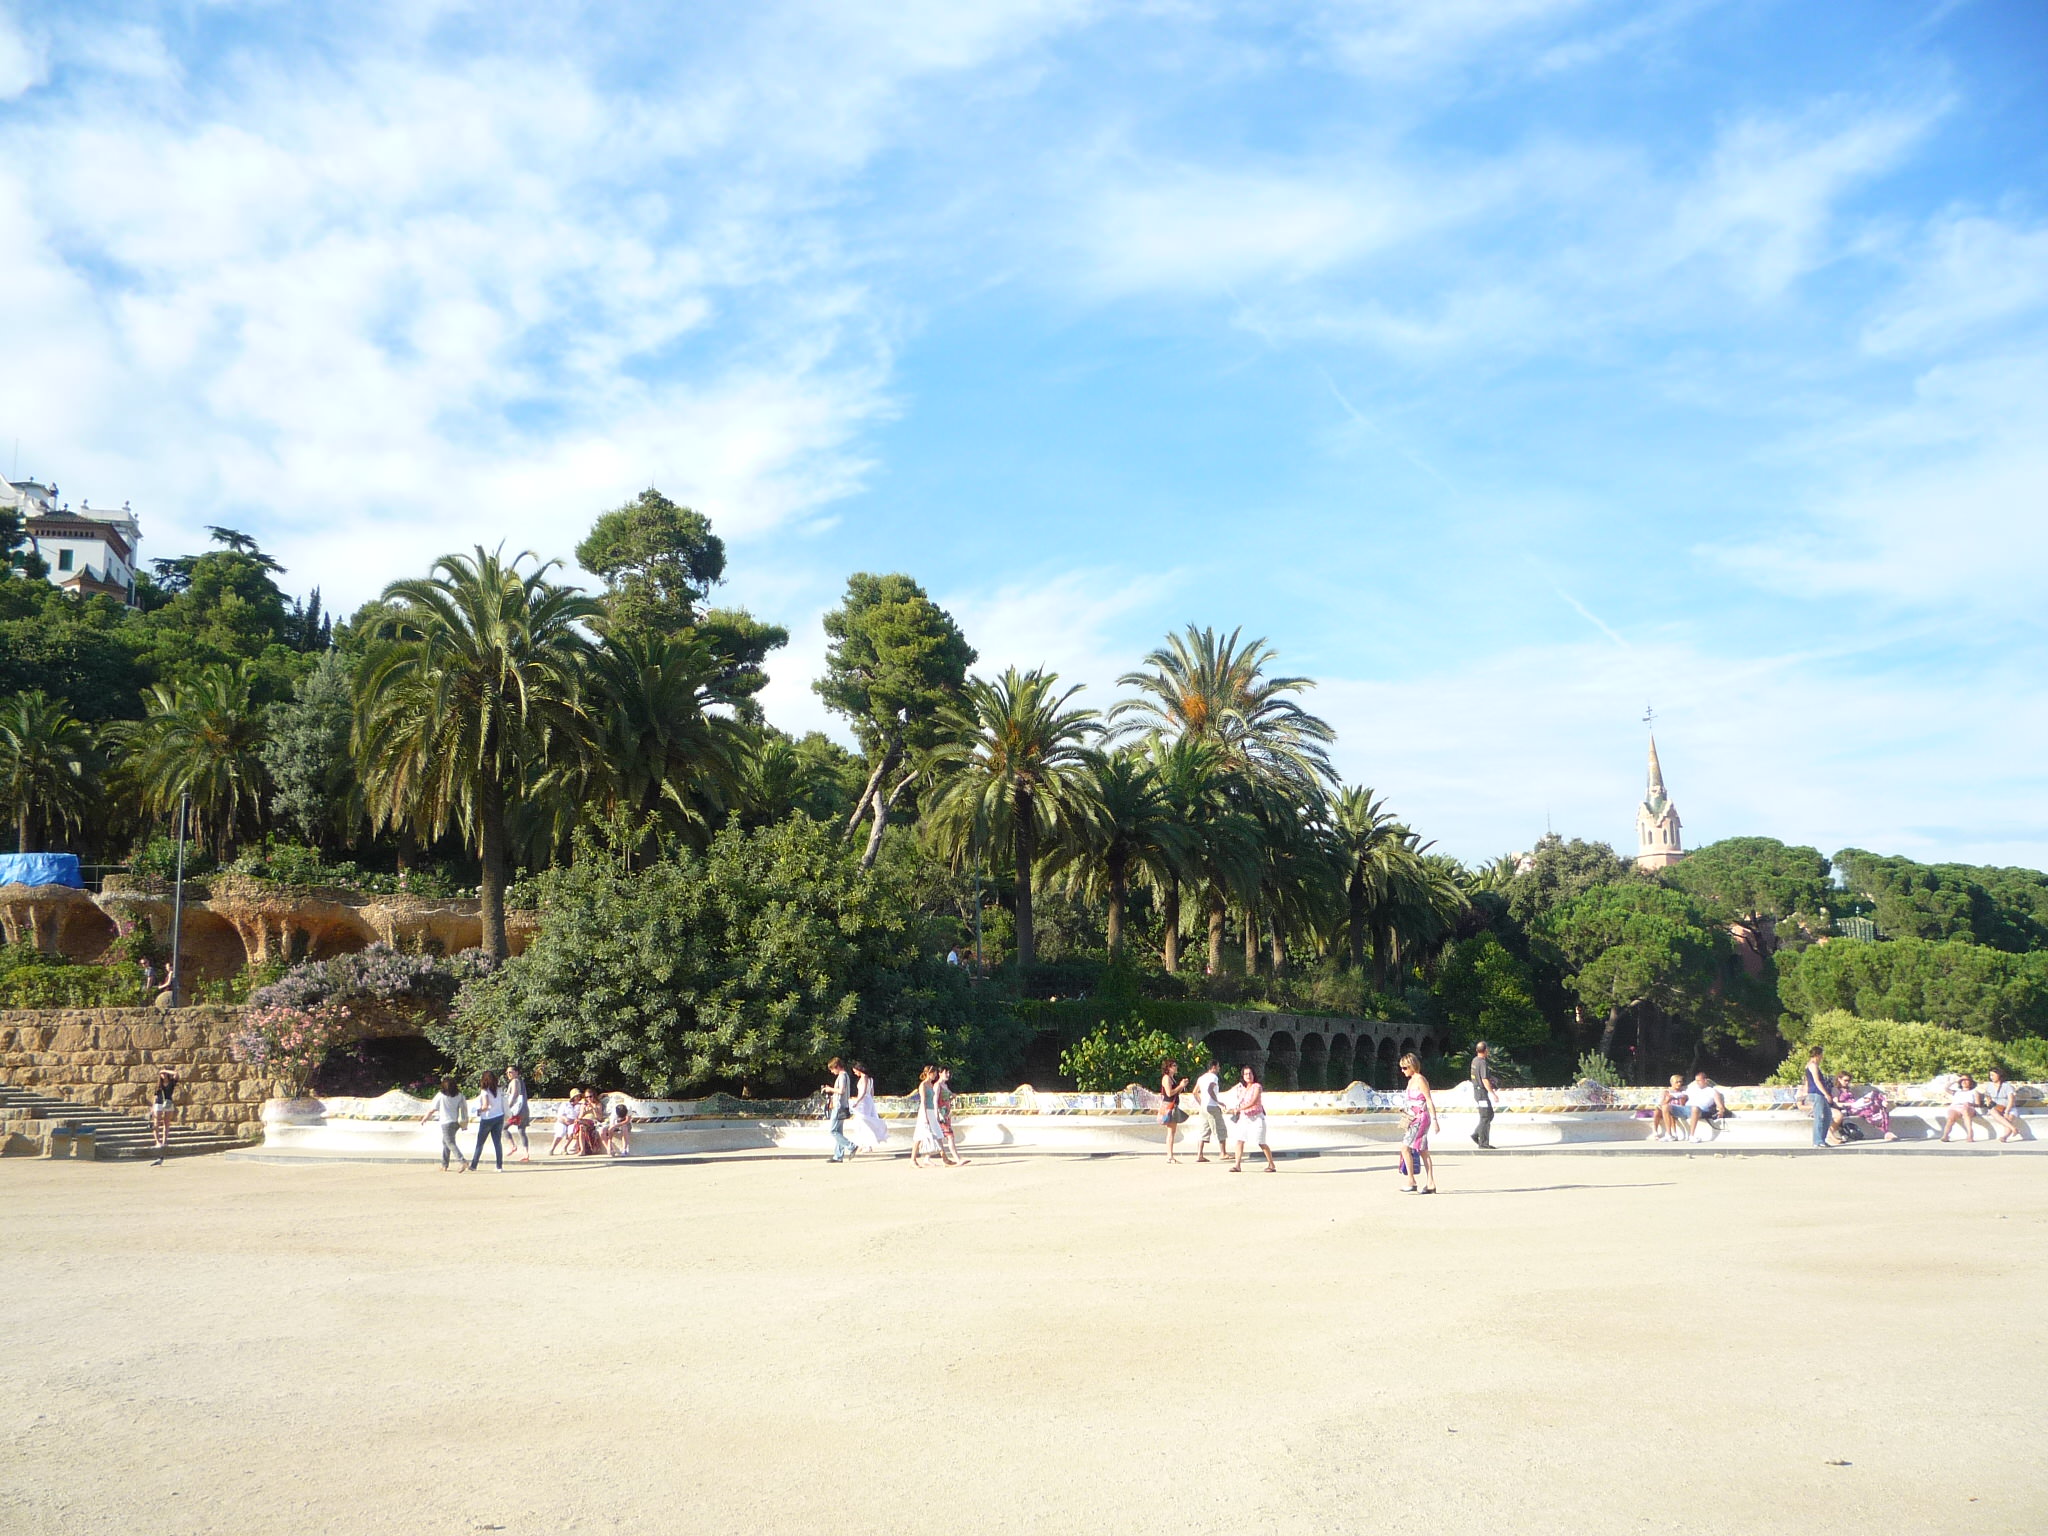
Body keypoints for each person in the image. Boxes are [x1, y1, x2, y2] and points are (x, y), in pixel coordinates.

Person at [1398, 1052, 1439, 1193]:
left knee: (1405, 1148)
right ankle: (1430, 1183)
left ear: (1411, 1066)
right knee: (1422, 1150)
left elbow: (1428, 1099)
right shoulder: (1410, 1081)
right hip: (1412, 1117)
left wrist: (1435, 1120)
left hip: (1421, 1118)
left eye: (1404, 1068)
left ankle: (1411, 1180)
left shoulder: (1420, 1079)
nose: (1402, 1071)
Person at [1228, 1065, 1274, 1173]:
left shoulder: (1257, 1086)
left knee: (1261, 1142)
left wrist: (1238, 1109)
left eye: (1250, 1073)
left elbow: (1253, 1101)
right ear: (1243, 1076)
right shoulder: (1242, 1089)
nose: (1248, 1076)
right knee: (1240, 1140)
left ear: (1253, 1075)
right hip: (1245, 1117)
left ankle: (1271, 1164)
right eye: (1246, 1074)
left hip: (1257, 1117)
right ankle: (1237, 1165)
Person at [419, 1075, 470, 1171]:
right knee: (445, 1142)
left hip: (446, 1122)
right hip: (457, 1122)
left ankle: (462, 1161)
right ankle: (444, 1164)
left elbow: (432, 1109)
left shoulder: (441, 1095)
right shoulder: (459, 1095)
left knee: (450, 1142)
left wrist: (425, 1118)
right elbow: (463, 1109)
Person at [1830, 1072, 1897, 1142]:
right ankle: (1886, 1130)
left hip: (1857, 1105)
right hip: (1850, 1108)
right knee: (1870, 1110)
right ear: (1839, 1079)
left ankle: (1883, 1105)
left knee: (1876, 1099)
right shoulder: (1836, 1090)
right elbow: (1836, 1104)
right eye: (1845, 1080)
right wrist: (1850, 1104)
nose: (1847, 1082)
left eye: (1848, 1081)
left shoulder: (1849, 1089)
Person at [847, 1061, 889, 1155]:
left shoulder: (864, 1077)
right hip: (867, 1100)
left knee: (864, 1121)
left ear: (858, 1069)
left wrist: (857, 1100)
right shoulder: (870, 1078)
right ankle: (864, 1144)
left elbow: (864, 1091)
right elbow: (872, 1092)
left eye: (855, 1071)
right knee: (863, 1121)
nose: (855, 1073)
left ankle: (867, 1145)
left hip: (864, 1101)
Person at [468, 1069, 506, 1171]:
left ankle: (474, 1165)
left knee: (480, 1143)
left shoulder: (484, 1091)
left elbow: (485, 1106)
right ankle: (499, 1166)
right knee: (497, 1142)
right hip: (499, 1116)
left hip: (488, 1118)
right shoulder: (499, 1089)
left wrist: (477, 1111)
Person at [1797, 1046, 1834, 1149]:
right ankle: (1818, 1141)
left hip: (1817, 1093)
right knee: (1819, 1117)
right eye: (1821, 1055)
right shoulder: (1813, 1066)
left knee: (1827, 1115)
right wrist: (1826, 1094)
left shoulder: (1810, 1065)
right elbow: (1817, 1081)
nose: (1822, 1057)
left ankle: (1822, 1139)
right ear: (1818, 1055)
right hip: (1817, 1093)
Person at [1193, 1058, 1228, 1164]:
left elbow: (1195, 1092)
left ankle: (1199, 1154)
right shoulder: (1214, 1077)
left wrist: (1201, 1103)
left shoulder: (1201, 1077)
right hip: (1212, 1106)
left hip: (1204, 1107)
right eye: (1218, 1066)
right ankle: (1223, 1153)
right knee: (1220, 1128)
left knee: (1203, 1130)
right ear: (1213, 1067)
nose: (1219, 1068)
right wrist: (1218, 1102)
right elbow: (1210, 1089)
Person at [821, 1057, 854, 1164]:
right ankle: (838, 1156)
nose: (832, 1071)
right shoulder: (844, 1076)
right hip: (842, 1106)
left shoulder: (842, 1076)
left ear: (837, 1067)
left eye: (832, 1069)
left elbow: (841, 1090)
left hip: (839, 1107)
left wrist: (830, 1089)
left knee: (833, 1131)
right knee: (838, 1131)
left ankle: (851, 1146)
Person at [910, 1066, 943, 1168]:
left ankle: (927, 1158)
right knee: (919, 1136)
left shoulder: (931, 1084)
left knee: (937, 1133)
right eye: (934, 1073)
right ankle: (913, 1160)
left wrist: (935, 1112)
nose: (936, 1075)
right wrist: (925, 1116)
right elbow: (923, 1101)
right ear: (929, 1073)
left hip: (931, 1110)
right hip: (925, 1112)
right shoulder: (923, 1085)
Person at [1158, 1058, 1190, 1163]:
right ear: (1168, 1068)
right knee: (1170, 1132)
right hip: (1168, 1105)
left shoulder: (1172, 1078)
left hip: (1174, 1105)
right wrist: (1180, 1086)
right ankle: (1169, 1155)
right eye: (1174, 1066)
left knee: (1172, 1131)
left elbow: (1176, 1093)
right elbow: (1169, 1093)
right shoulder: (1166, 1078)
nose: (1176, 1068)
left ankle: (1170, 1155)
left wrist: (1182, 1086)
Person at [1469, 1041, 1499, 1150]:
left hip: (1477, 1092)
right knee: (1486, 1117)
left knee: (1489, 1114)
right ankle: (1483, 1143)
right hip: (1481, 1093)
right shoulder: (1482, 1062)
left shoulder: (1474, 1060)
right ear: (1486, 1050)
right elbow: (1484, 1079)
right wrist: (1493, 1093)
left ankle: (1476, 1134)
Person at [1681, 1072, 1729, 1140]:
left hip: (1701, 1110)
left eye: (1699, 1081)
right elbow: (1681, 1096)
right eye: (1696, 1081)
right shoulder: (1691, 1089)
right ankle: (1670, 1135)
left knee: (1695, 1108)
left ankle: (1691, 1135)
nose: (1697, 1083)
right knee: (1666, 1107)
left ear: (1705, 1080)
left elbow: (1720, 1106)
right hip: (1686, 1109)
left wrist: (1721, 1111)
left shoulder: (1712, 1091)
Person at [936, 1066, 968, 1166]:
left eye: (949, 1073)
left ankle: (944, 1158)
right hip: (942, 1114)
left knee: (940, 1137)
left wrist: (951, 1097)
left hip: (946, 1113)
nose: (948, 1075)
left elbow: (945, 1100)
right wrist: (937, 1113)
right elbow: (935, 1100)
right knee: (949, 1136)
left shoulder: (945, 1086)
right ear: (940, 1073)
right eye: (946, 1073)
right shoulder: (937, 1085)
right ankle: (957, 1158)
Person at [1941, 1075, 1985, 1143]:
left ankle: (1970, 1134)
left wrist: (1970, 1104)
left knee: (1966, 1111)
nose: (1964, 1082)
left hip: (1968, 1107)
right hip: (1956, 1107)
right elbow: (1946, 1088)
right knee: (1950, 1118)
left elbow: (1978, 1104)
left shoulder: (1974, 1092)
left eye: (1966, 1080)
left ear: (1971, 1082)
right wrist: (1955, 1081)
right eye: (1962, 1080)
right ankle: (1945, 1135)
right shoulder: (1956, 1092)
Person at [1984, 1068, 2024, 1142]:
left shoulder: (2007, 1086)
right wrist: (1989, 1107)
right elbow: (1988, 1099)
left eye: (1993, 1075)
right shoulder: (1989, 1086)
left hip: (2009, 1108)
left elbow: (2011, 1100)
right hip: (1996, 1107)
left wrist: (2007, 1111)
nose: (1991, 1077)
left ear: (1999, 1075)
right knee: (1992, 1111)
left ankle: (2005, 1136)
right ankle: (2013, 1128)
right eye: (1990, 1075)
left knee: (2008, 1119)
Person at [503, 1065, 531, 1163]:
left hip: (516, 1111)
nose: (508, 1074)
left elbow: (514, 1095)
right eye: (507, 1073)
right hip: (524, 1110)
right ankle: (526, 1153)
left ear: (516, 1072)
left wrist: (507, 1107)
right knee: (521, 1131)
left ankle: (512, 1146)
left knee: (504, 1128)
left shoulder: (514, 1081)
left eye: (510, 1072)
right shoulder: (522, 1082)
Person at [148, 1069, 177, 1166]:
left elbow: (176, 1074)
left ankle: (164, 1141)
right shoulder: (158, 1085)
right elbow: (155, 1096)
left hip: (168, 1103)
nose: (163, 1075)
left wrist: (165, 1070)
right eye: (161, 1074)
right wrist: (152, 1109)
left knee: (166, 1123)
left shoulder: (172, 1083)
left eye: (164, 1074)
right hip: (158, 1103)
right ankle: (157, 1141)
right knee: (156, 1122)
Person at [1651, 1074, 1688, 1141]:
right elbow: (1662, 1103)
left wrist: (1682, 1098)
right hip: (1665, 1108)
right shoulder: (1666, 1092)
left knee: (1669, 1110)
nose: (1679, 1084)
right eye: (1677, 1082)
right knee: (1657, 1110)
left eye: (1680, 1082)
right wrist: (1668, 1099)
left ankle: (1673, 1133)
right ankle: (1655, 1131)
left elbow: (1683, 1104)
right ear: (1672, 1083)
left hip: (1677, 1109)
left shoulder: (1683, 1091)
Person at [549, 1092, 579, 1156]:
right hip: (562, 1122)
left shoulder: (579, 1106)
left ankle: (564, 1148)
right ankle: (552, 1148)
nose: (578, 1098)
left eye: (579, 1096)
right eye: (576, 1096)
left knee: (571, 1133)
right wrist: (565, 1118)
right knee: (560, 1133)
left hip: (572, 1122)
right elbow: (560, 1115)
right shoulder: (565, 1104)